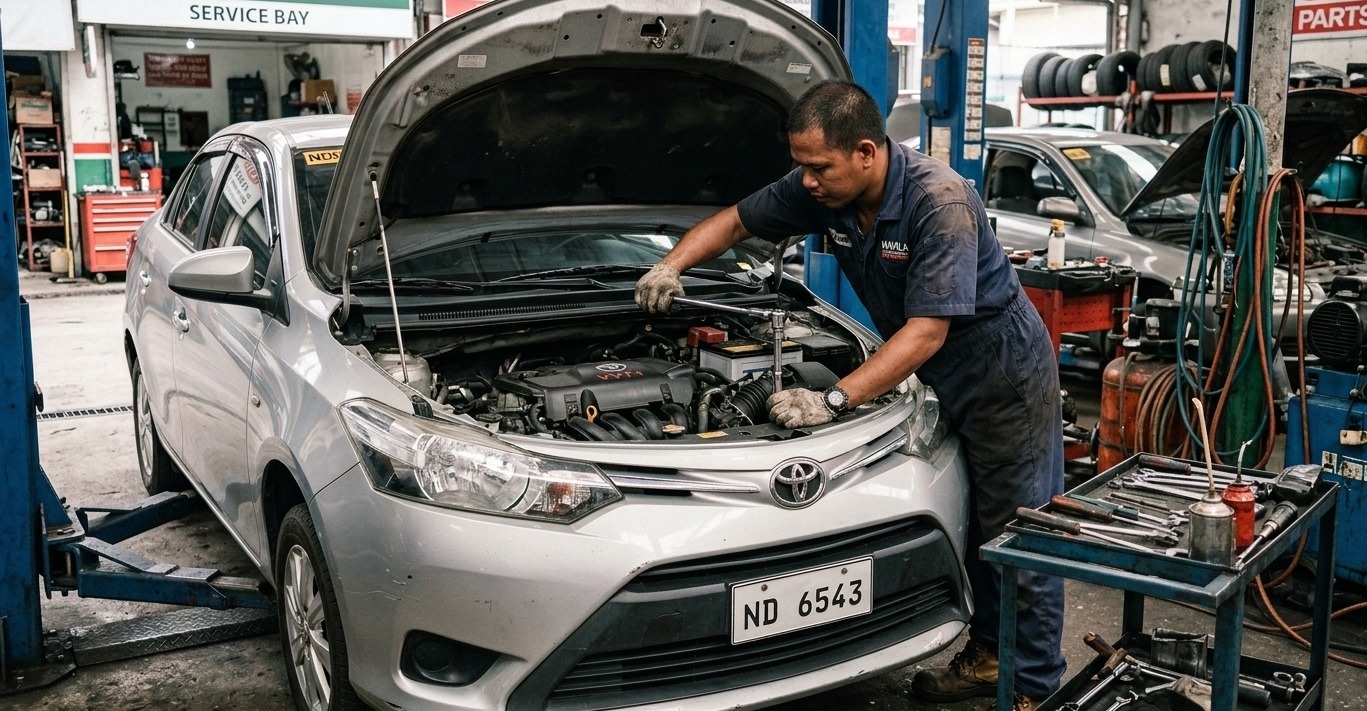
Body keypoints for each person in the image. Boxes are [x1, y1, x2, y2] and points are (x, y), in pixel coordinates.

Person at [634, 80, 1065, 711]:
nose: (805, 181)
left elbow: (926, 331)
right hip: (934, 367)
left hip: (1001, 375)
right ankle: (991, 653)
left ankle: (1032, 687)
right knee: (982, 521)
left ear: (866, 152)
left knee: (1020, 528)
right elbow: (735, 221)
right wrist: (672, 265)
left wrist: (834, 401)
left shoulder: (937, 201)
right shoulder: (824, 190)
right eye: (800, 166)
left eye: (818, 167)